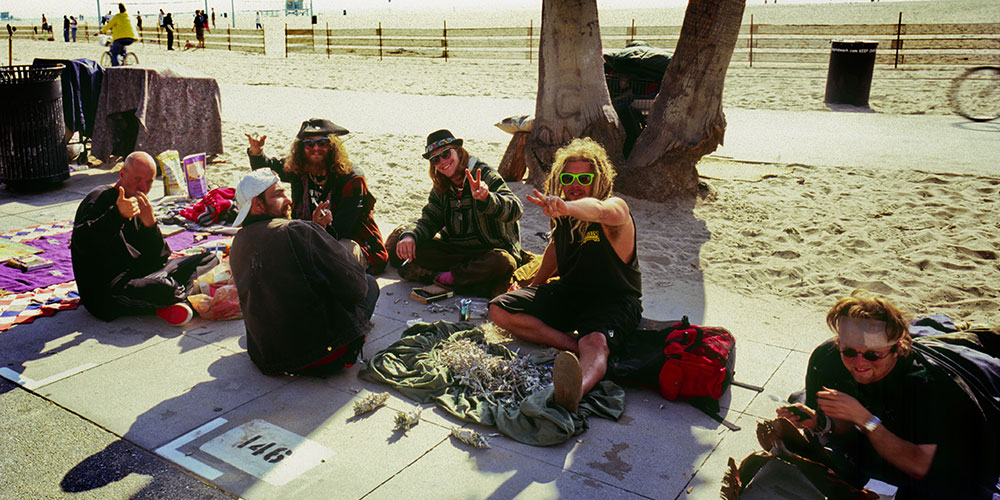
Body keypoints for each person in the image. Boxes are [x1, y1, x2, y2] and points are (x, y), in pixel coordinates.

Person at [775, 290, 1000, 499]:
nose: (859, 363)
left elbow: (920, 466)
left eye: (873, 355)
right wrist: (821, 423)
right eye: (850, 352)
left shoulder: (928, 387)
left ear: (897, 349)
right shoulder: (827, 359)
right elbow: (841, 430)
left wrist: (866, 420)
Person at [489, 137, 642, 413]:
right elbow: (555, 250)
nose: (575, 185)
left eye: (584, 178)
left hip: (614, 302)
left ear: (599, 179)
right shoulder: (562, 216)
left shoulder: (615, 209)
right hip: (570, 294)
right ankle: (571, 344)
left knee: (594, 341)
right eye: (568, 177)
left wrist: (568, 207)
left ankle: (574, 391)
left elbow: (599, 210)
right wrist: (533, 290)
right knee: (499, 309)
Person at [230, 169, 379, 376]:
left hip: (266, 358)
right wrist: (317, 233)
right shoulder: (298, 231)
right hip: (321, 358)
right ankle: (348, 350)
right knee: (370, 284)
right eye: (279, 194)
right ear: (257, 204)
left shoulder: (238, 243)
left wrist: (316, 231)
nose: (289, 199)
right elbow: (356, 288)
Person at [71, 152, 218, 326]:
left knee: (210, 259)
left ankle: (178, 302)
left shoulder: (138, 203)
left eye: (149, 182)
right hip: (110, 290)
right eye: (137, 179)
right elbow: (82, 242)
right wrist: (117, 215)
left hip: (142, 274)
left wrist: (150, 226)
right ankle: (182, 299)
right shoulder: (99, 198)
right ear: (122, 174)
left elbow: (159, 258)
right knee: (166, 289)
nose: (143, 187)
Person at [388, 129, 524, 297]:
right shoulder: (441, 186)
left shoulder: (484, 175)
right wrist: (410, 236)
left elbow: (516, 209)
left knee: (503, 263)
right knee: (399, 243)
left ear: (458, 151)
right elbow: (430, 220)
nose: (443, 161)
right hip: (456, 254)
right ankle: (462, 280)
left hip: (490, 253)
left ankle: (443, 278)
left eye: (446, 154)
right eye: (436, 159)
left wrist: (487, 199)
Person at [246, 119, 388, 274]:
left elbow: (342, 228)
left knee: (317, 260)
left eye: (322, 143)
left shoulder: (351, 178)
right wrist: (257, 153)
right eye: (309, 144)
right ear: (301, 148)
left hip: (351, 241)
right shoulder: (300, 167)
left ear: (332, 146)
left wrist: (317, 229)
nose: (316, 148)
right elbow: (268, 172)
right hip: (311, 234)